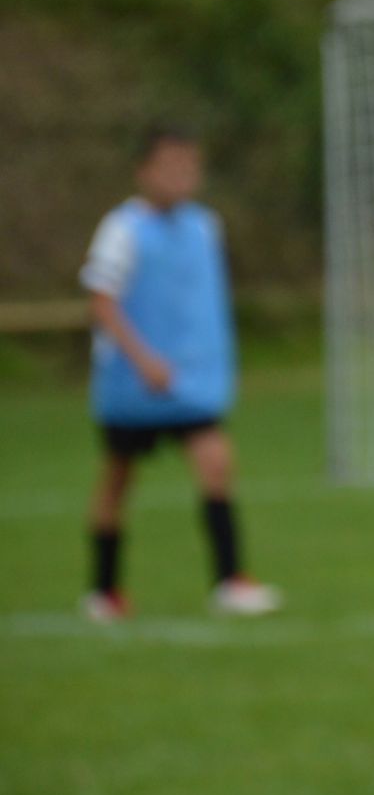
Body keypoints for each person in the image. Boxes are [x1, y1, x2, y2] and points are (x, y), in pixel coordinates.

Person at [80, 126, 280, 621]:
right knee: (118, 479)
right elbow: (101, 302)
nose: (180, 177)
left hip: (189, 384)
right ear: (144, 171)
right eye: (169, 167)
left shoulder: (205, 227)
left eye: (189, 167)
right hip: (133, 385)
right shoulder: (121, 229)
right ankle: (104, 591)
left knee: (216, 465)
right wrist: (143, 359)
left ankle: (230, 580)